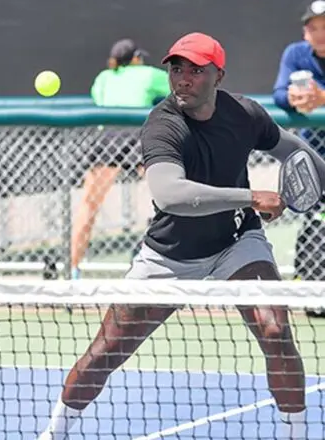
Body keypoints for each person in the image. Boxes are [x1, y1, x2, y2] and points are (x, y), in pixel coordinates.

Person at [39, 32, 325, 440]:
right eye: (176, 68)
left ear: (218, 75)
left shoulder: (244, 114)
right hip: (171, 256)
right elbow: (171, 195)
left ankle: (298, 435)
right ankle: (54, 432)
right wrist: (250, 195)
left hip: (237, 244)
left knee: (276, 332)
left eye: (195, 70)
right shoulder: (163, 124)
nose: (183, 78)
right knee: (107, 351)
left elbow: (293, 151)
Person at [71, 39, 170, 279]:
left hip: (108, 137)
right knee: (169, 199)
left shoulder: (104, 78)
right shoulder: (149, 74)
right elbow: (173, 90)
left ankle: (72, 269)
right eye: (140, 58)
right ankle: (173, 260)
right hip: (137, 135)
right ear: (135, 59)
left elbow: (99, 98)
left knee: (88, 206)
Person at [273, 0, 325, 310]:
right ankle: (311, 287)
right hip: (314, 155)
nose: (320, 33)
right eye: (314, 27)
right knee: (312, 220)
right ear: (306, 32)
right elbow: (279, 93)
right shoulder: (295, 53)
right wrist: (294, 99)